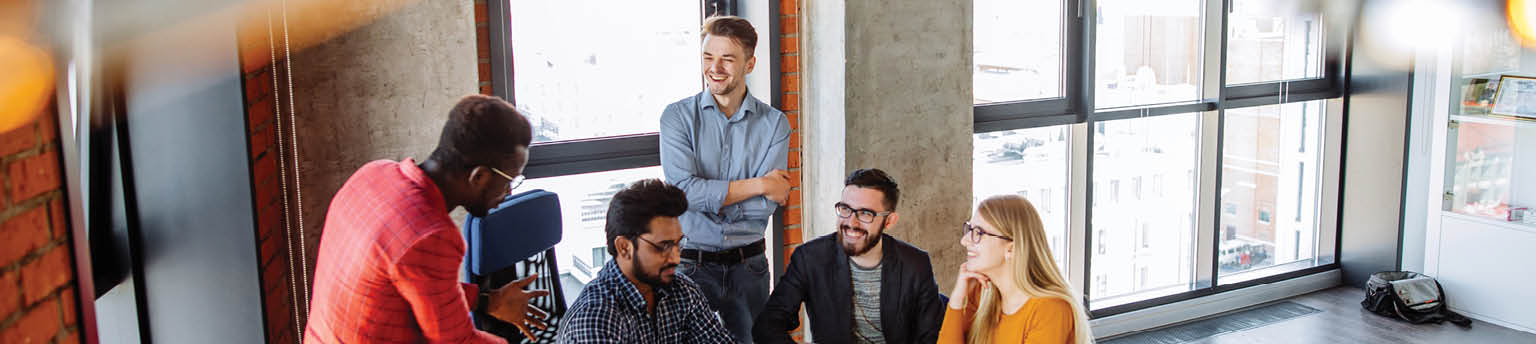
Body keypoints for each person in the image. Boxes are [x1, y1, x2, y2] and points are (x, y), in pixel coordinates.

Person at [305, 94, 549, 343]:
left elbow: (422, 286)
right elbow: (457, 341)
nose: (508, 192)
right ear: (479, 177)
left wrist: (487, 301)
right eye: (510, 181)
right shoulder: (430, 235)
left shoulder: (373, 174)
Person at [659, 15, 792, 343]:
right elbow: (683, 194)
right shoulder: (676, 118)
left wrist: (710, 198)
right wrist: (760, 184)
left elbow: (764, 209)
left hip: (750, 267)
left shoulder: (775, 125)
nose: (714, 68)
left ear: (750, 64)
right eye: (708, 57)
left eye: (727, 59)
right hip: (690, 264)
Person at [754, 168, 946, 343]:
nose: (851, 222)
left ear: (889, 221)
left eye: (865, 213)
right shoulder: (810, 258)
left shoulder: (916, 263)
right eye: (845, 209)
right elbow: (767, 325)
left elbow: (930, 337)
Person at [557, 179, 734, 344]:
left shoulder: (682, 291)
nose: (676, 258)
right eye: (662, 246)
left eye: (678, 244)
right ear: (624, 247)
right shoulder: (595, 320)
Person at [938, 195, 1094, 344]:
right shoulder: (980, 293)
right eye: (969, 230)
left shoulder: (1050, 309)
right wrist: (957, 299)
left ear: (1011, 248)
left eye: (978, 233)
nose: (964, 241)